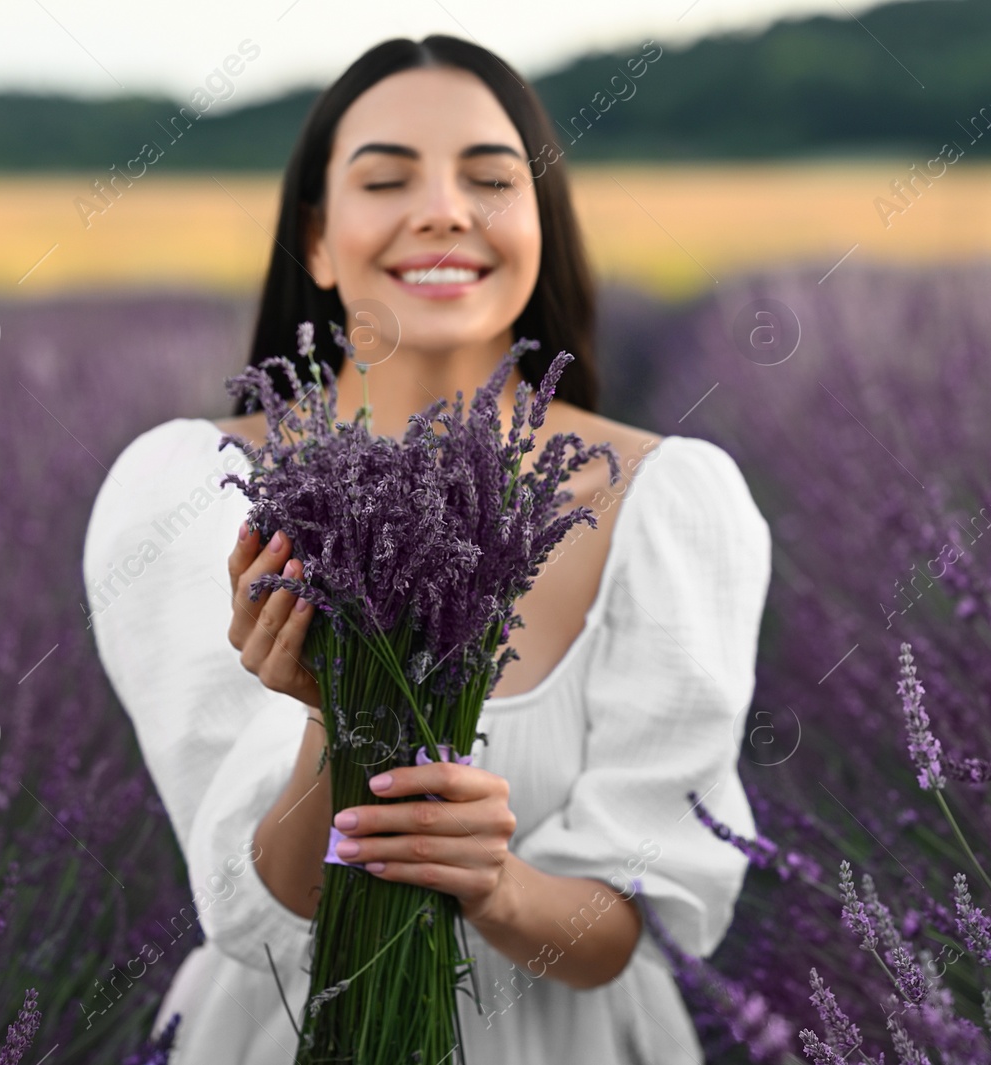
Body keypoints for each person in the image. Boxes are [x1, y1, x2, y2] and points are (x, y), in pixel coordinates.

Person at [82, 33, 773, 1065]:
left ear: (540, 227)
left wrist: (498, 887)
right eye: (386, 178)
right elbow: (261, 908)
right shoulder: (183, 494)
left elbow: (636, 924)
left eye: (491, 178)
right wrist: (336, 722)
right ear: (315, 238)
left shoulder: (672, 502)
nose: (444, 209)